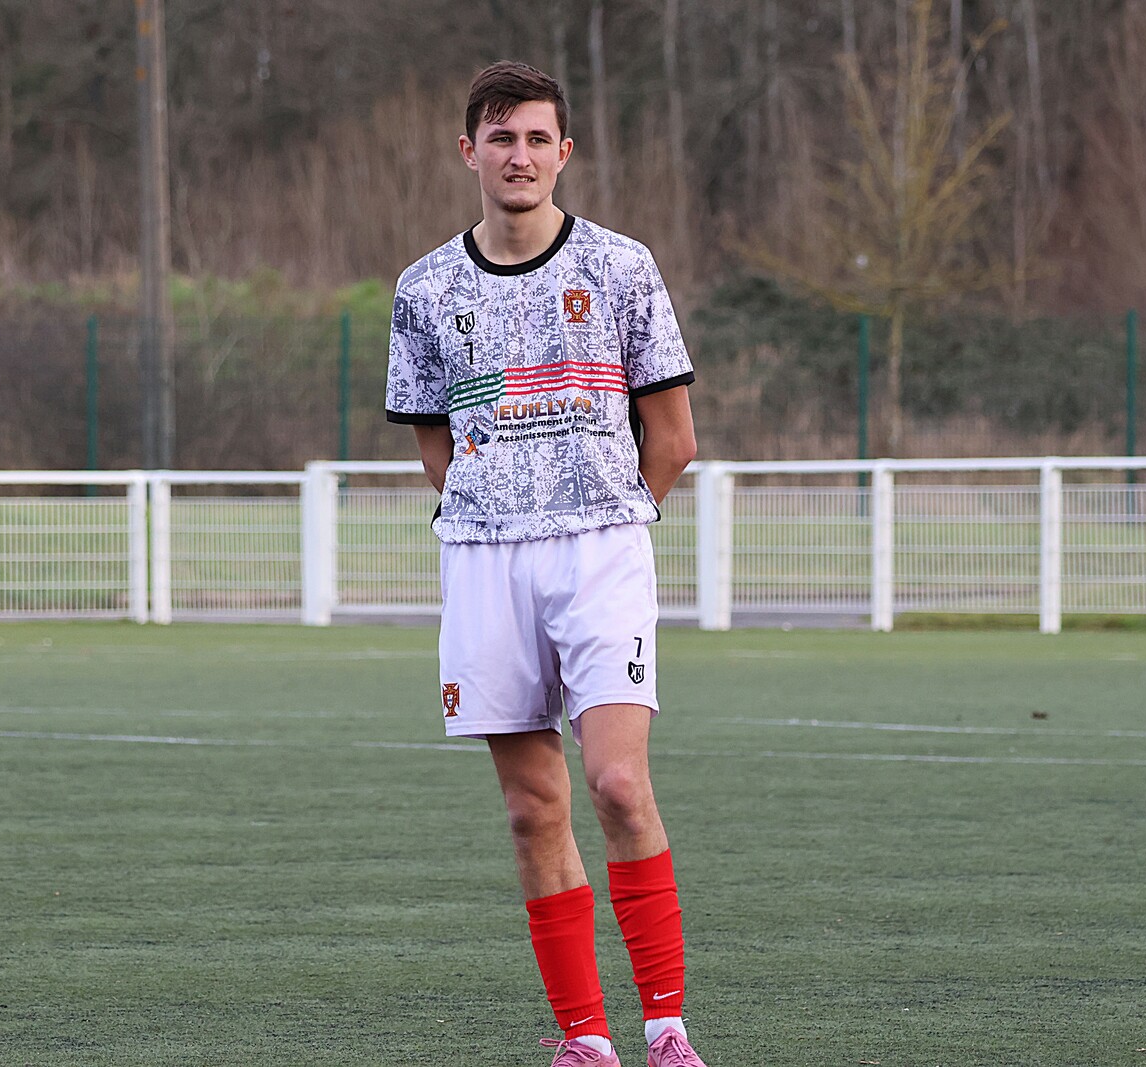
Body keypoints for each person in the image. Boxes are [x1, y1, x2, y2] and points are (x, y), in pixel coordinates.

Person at [385, 61, 705, 1067]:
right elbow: (434, 442)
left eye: (535, 139)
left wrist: (612, 521)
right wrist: (493, 508)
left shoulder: (621, 267)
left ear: (563, 152)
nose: (517, 156)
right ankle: (585, 1038)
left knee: (615, 783)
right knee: (532, 808)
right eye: (500, 138)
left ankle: (666, 1030)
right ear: (468, 151)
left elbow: (674, 437)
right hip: (484, 560)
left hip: (601, 551)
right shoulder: (425, 289)